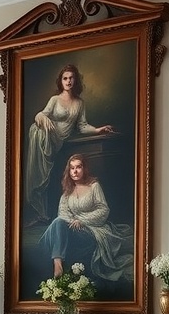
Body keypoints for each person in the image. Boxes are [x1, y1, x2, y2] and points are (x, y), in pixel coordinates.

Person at [24, 63, 113, 225]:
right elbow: (42, 114)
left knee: (47, 177)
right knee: (39, 177)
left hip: (59, 139)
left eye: (71, 78)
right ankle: (39, 214)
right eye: (65, 78)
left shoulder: (79, 103)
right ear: (61, 81)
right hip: (43, 138)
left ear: (75, 80)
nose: (68, 81)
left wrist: (98, 130)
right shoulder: (54, 99)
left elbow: (82, 126)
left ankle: (44, 215)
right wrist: (42, 118)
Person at [39, 154, 134, 285]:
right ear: (69, 170)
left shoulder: (94, 186)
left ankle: (55, 263)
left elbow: (103, 210)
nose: (75, 171)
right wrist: (73, 221)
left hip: (92, 230)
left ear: (84, 169)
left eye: (78, 167)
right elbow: (63, 212)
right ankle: (58, 264)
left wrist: (82, 221)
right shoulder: (68, 190)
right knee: (58, 222)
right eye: (72, 168)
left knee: (57, 224)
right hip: (73, 229)